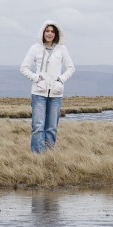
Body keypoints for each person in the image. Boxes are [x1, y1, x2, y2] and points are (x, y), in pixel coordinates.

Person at [19, 20, 75, 152]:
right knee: (38, 126)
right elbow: (24, 68)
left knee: (51, 128)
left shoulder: (62, 49)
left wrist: (60, 80)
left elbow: (70, 68)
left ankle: (49, 156)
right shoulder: (35, 48)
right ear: (43, 32)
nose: (50, 33)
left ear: (56, 34)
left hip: (56, 94)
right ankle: (37, 158)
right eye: (47, 31)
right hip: (39, 93)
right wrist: (36, 78)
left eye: (52, 31)